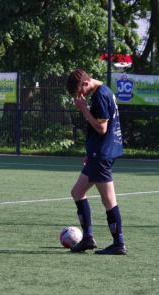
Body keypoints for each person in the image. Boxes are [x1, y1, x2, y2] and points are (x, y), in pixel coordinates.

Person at [65, 69, 127, 255]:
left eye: (79, 91)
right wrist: (91, 151)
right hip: (98, 153)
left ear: (85, 83)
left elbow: (101, 128)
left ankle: (118, 243)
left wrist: (84, 110)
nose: (80, 96)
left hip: (102, 154)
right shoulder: (103, 91)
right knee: (77, 192)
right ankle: (88, 237)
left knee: (109, 200)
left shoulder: (100, 95)